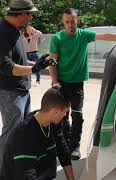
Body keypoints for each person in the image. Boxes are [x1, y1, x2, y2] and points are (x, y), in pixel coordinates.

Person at [49, 8, 116, 160]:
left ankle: (75, 147)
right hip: (61, 83)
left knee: (77, 115)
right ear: (63, 22)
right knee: (63, 116)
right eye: (67, 22)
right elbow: (52, 62)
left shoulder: (84, 34)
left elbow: (106, 36)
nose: (70, 24)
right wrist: (55, 82)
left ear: (77, 20)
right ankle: (65, 145)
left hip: (77, 83)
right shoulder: (57, 38)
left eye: (73, 21)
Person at [0, 0, 54, 169]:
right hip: (10, 92)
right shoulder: (3, 32)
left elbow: (19, 60)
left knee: (20, 132)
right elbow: (6, 66)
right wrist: (33, 70)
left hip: (21, 91)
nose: (31, 17)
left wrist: (37, 64)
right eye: (30, 14)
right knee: (11, 134)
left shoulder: (14, 31)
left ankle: (14, 165)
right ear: (22, 14)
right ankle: (3, 170)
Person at [0, 87, 75, 180]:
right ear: (56, 112)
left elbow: (63, 151)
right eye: (65, 113)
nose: (65, 116)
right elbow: (27, 177)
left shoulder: (52, 123)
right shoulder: (24, 136)